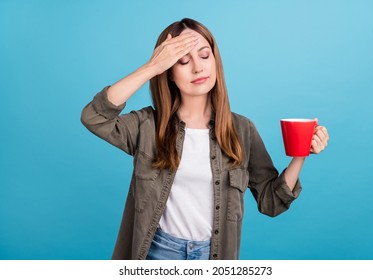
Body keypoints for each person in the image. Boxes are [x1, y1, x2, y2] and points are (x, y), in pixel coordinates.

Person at [80, 18, 329, 260]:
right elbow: (94, 117)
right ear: (169, 73)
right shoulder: (147, 126)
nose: (198, 68)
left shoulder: (242, 129)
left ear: (215, 60)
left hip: (214, 257)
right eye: (183, 61)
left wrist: (300, 155)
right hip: (157, 255)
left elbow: (271, 202)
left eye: (204, 55)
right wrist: (152, 67)